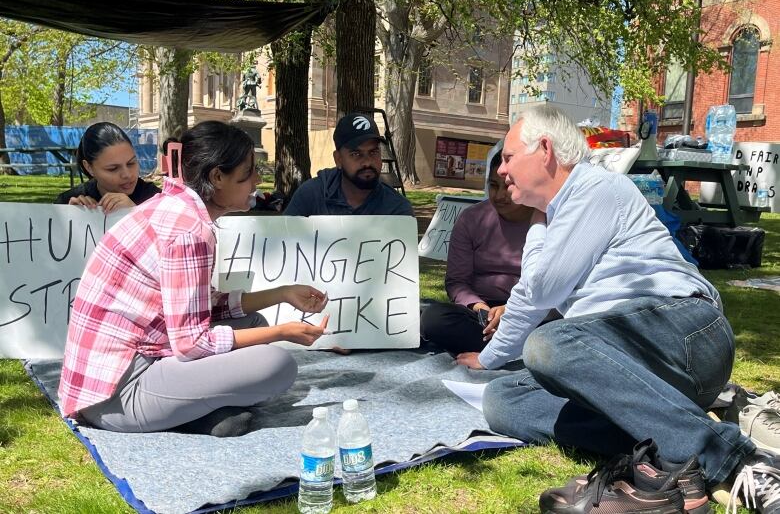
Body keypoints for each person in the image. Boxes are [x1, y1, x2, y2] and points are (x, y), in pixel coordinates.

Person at [455, 106, 780, 512]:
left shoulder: (596, 188)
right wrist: (490, 362)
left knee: (547, 345)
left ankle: (738, 461)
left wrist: (490, 358)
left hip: (684, 331)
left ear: (544, 149)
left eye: (507, 157)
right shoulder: (553, 217)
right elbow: (533, 292)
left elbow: (538, 292)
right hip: (631, 363)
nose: (501, 171)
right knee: (502, 399)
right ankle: (671, 437)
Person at [59, 121, 330, 438]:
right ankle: (195, 413)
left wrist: (282, 293)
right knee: (278, 364)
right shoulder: (189, 231)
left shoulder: (173, 208)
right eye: (248, 173)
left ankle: (196, 411)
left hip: (125, 368)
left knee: (254, 324)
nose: (257, 180)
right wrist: (283, 331)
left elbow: (204, 304)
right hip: (116, 396)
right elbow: (192, 344)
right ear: (217, 177)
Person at [420, 148, 533, 354]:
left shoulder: (546, 221)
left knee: (554, 332)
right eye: (492, 185)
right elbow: (457, 282)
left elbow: (552, 291)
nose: (499, 195)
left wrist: (513, 310)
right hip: (481, 313)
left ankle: (505, 349)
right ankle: (513, 350)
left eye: (507, 186)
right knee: (433, 318)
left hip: (528, 312)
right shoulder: (471, 219)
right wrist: (480, 308)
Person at [284, 112, 414, 216]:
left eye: (373, 152)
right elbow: (284, 241)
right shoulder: (311, 195)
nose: (367, 162)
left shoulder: (397, 210)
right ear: (338, 159)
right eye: (356, 154)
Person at [55, 122, 160, 212]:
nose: (127, 175)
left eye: (131, 163)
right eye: (113, 169)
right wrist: (70, 217)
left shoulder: (155, 198)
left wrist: (135, 212)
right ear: (89, 168)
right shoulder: (68, 202)